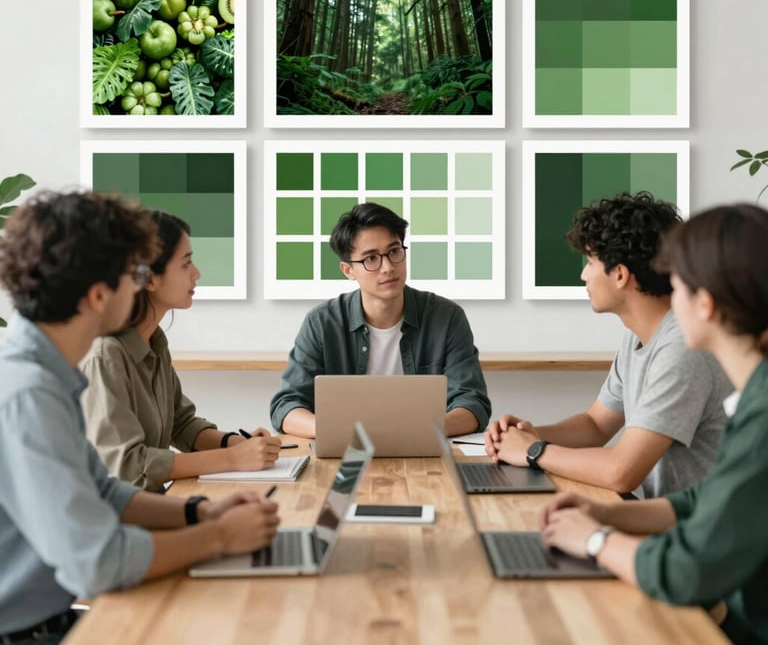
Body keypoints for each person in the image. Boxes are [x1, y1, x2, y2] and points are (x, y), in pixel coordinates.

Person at [0, 191, 279, 643]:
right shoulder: (30, 393)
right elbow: (98, 563)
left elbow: (105, 492)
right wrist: (221, 537)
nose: (139, 284)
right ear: (97, 295)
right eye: (133, 274)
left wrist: (201, 513)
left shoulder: (46, 374)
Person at [540, 204, 768, 644]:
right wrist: (607, 513)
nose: (667, 295)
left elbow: (687, 570)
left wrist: (597, 540)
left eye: (677, 283)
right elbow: (706, 498)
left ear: (705, 304)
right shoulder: (754, 394)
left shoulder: (759, 412)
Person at [486, 192, 732, 498]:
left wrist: (534, 451)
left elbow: (622, 472)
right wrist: (526, 435)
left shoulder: (683, 349)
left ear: (620, 275)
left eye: (589, 262)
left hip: (700, 537)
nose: (583, 274)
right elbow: (595, 425)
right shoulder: (640, 335)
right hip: (668, 522)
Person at [81, 211, 280, 492]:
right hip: (120, 522)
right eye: (186, 264)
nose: (196, 273)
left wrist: (236, 443)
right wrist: (231, 458)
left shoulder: (154, 343)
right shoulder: (106, 356)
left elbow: (181, 423)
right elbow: (127, 466)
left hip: (154, 506)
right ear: (149, 279)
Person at [270, 202, 491, 438]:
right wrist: (337, 431)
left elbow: (473, 403)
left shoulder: (446, 317)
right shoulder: (322, 323)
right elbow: (286, 405)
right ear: (348, 270)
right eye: (371, 259)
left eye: (394, 251)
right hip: (345, 450)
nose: (387, 267)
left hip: (423, 449)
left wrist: (416, 431)